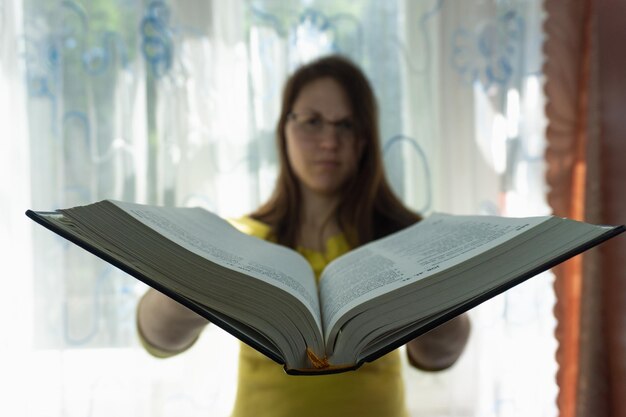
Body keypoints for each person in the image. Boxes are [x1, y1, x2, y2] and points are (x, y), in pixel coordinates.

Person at [137, 54, 471, 417]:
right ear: (285, 129)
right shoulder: (239, 238)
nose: (329, 141)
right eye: (313, 122)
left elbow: (439, 356)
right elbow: (160, 339)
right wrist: (183, 290)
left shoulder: (405, 242)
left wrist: (442, 304)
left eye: (346, 125)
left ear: (364, 140)